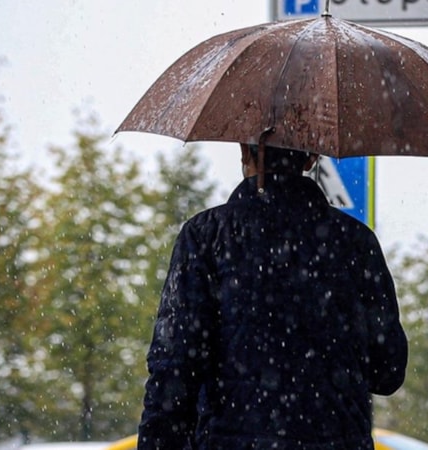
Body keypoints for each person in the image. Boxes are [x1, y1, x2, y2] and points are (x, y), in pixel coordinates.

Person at [138, 144, 408, 449]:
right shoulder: (355, 243)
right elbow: (388, 372)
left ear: (244, 151)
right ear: (312, 157)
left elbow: (174, 368)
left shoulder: (206, 237)